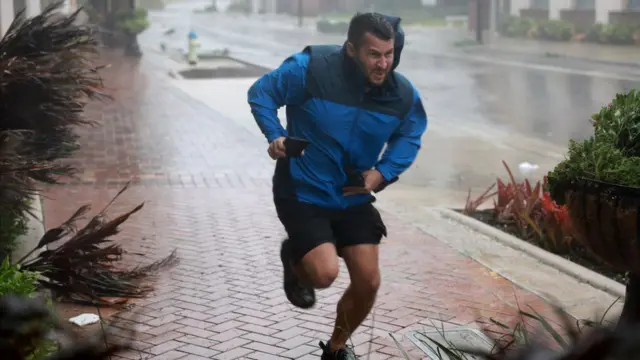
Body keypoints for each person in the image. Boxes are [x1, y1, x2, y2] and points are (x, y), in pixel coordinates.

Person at [247, 12, 427, 360]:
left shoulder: (401, 94)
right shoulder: (311, 70)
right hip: (303, 189)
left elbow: (411, 132)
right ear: (351, 50)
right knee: (324, 273)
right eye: (374, 54)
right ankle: (295, 259)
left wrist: (382, 172)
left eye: (389, 54)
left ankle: (335, 349)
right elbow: (262, 92)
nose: (383, 63)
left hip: (352, 194)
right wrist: (275, 135)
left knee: (368, 282)